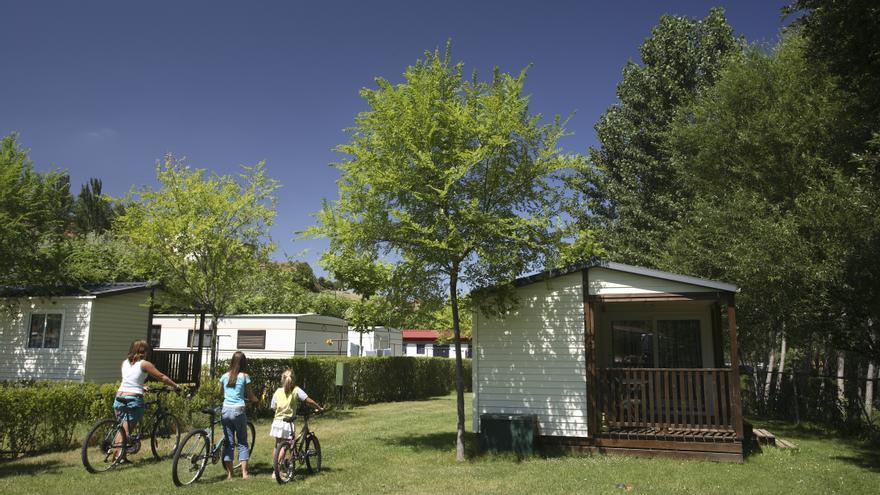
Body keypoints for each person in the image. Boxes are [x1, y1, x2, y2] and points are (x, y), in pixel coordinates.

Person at [115, 340, 180, 460]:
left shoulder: (124, 363)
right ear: (144, 352)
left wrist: (142, 386)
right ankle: (117, 457)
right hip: (133, 398)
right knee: (126, 430)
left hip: (119, 397)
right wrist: (175, 386)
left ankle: (120, 455)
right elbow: (161, 377)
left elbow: (130, 379)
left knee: (122, 429)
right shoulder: (144, 364)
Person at [269, 369, 323, 479]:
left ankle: (275, 469)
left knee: (277, 445)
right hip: (287, 422)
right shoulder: (296, 390)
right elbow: (308, 400)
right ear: (293, 380)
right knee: (284, 447)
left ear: (282, 379)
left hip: (277, 421)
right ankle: (277, 472)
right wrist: (319, 407)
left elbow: (273, 406)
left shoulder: (278, 391)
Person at [219, 351, 259, 480]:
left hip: (225, 410)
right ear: (243, 362)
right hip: (238, 410)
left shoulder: (224, 376)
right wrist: (256, 401)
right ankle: (244, 473)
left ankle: (230, 474)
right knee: (242, 442)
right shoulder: (244, 376)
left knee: (229, 442)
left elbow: (220, 392)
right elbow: (250, 394)